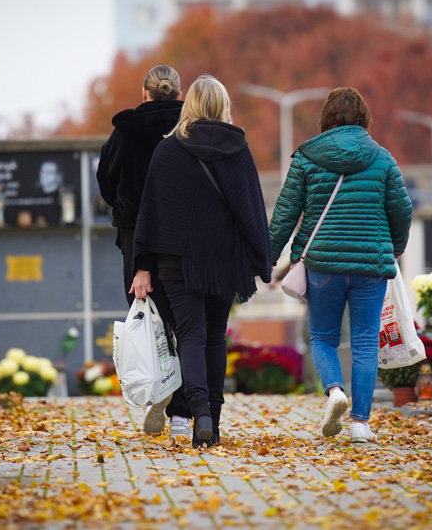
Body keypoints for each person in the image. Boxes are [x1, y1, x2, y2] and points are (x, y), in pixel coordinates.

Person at [133, 75, 271, 449]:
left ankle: (200, 413)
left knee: (189, 335)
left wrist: (142, 264)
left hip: (176, 261)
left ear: (189, 103)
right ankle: (214, 422)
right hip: (223, 261)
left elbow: (151, 214)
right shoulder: (238, 149)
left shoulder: (168, 150)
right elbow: (251, 211)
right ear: (223, 106)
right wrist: (263, 260)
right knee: (214, 336)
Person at [269, 87, 413, 442]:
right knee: (365, 342)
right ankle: (360, 424)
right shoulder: (382, 158)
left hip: (322, 264)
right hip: (370, 266)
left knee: (323, 336)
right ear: (364, 118)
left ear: (326, 119)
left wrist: (266, 258)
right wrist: (392, 249)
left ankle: (334, 391)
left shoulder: (306, 158)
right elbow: (403, 210)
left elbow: (285, 214)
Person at [95, 65, 191, 437]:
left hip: (136, 239)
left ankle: (156, 391)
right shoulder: (190, 129)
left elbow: (106, 179)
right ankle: (182, 413)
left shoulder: (124, 133)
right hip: (182, 237)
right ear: (179, 93)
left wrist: (123, 209)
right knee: (186, 325)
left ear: (144, 92)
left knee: (148, 320)